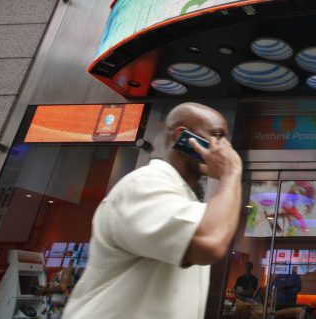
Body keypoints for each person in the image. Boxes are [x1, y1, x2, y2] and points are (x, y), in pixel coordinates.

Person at [64, 102, 243, 318]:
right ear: (182, 137)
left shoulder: (184, 197)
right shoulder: (144, 184)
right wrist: (231, 174)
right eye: (217, 135)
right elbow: (209, 243)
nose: (225, 148)